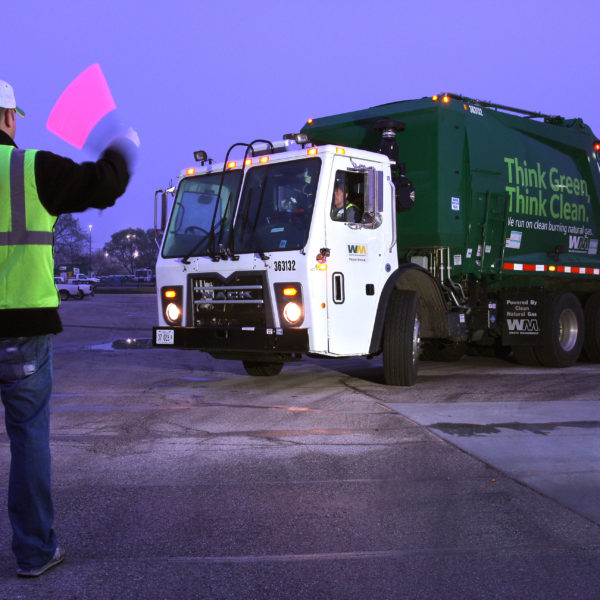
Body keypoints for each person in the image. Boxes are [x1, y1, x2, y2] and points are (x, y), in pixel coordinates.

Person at [0, 79, 137, 577]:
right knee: (29, 438)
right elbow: (105, 183)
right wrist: (120, 148)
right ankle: (35, 552)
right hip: (23, 330)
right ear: (9, 118)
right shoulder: (30, 168)